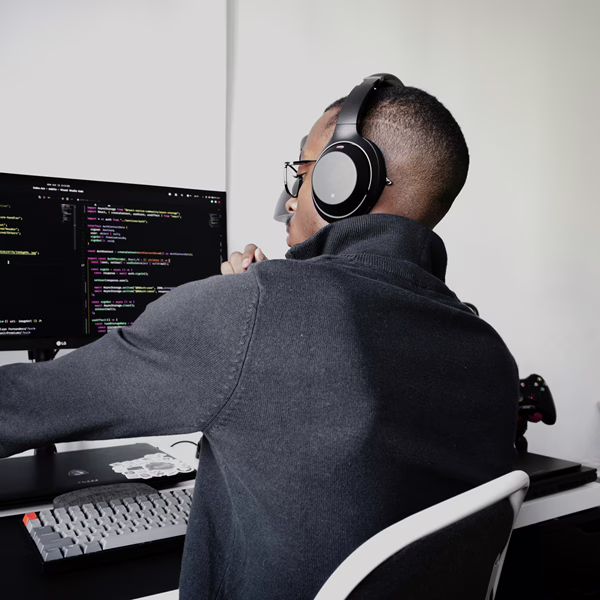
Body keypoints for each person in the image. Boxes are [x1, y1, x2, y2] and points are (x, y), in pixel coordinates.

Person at [0, 81, 519, 600]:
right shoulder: (489, 350)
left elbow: (20, 406)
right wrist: (269, 304)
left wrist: (245, 306)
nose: (290, 196)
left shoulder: (248, 309)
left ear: (347, 177)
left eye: (303, 170)